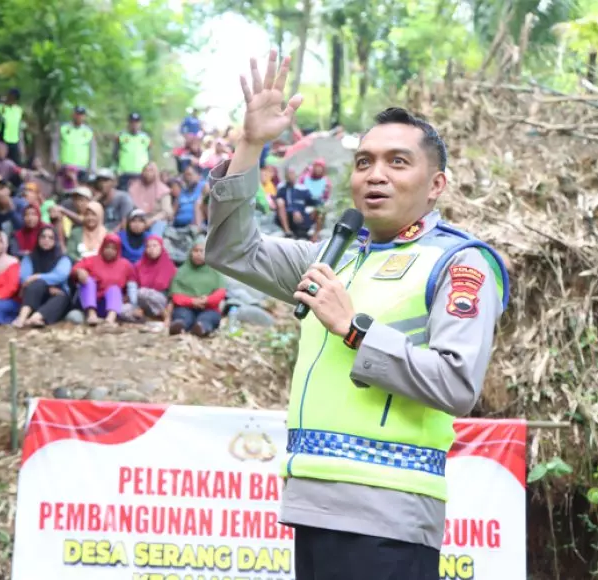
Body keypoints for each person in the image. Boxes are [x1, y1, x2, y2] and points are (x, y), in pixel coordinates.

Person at [204, 51, 509, 580]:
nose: (375, 175)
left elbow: (458, 383)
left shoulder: (460, 263)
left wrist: (354, 330)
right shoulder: (333, 254)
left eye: (397, 161)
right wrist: (249, 146)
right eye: (364, 161)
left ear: (436, 185)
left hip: (390, 512)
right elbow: (233, 251)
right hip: (312, 504)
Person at [13, 225, 73, 328]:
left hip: (57, 298)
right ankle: (22, 318)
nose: (46, 240)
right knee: (37, 284)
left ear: (55, 241)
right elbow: (24, 278)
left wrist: (37, 276)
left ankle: (34, 319)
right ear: (38, 239)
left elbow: (60, 275)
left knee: (61, 297)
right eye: (43, 237)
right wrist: (46, 286)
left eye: (50, 238)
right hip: (35, 295)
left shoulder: (63, 258)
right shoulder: (30, 257)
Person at [72, 233, 134, 326]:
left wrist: (128, 297)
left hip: (110, 305)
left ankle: (110, 320)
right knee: (88, 281)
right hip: (89, 302)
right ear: (103, 246)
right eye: (107, 247)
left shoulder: (125, 265)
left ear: (118, 250)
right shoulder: (91, 260)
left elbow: (132, 283)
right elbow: (75, 269)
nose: (109, 251)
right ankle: (91, 315)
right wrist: (79, 271)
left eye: (114, 248)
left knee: (114, 289)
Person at [168, 237, 225, 337]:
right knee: (182, 315)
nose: (198, 254)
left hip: (209, 308)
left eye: (202, 251)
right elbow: (176, 296)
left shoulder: (216, 271)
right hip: (186, 307)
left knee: (209, 317)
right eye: (195, 251)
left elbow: (220, 292)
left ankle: (201, 327)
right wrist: (192, 301)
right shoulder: (181, 271)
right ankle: (180, 326)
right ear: (191, 253)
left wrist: (207, 300)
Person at [121, 235, 177, 323]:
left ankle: (163, 315)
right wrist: (135, 306)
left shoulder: (169, 266)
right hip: (141, 302)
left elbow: (173, 293)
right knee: (122, 309)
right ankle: (147, 319)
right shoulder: (139, 265)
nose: (151, 249)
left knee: (142, 292)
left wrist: (169, 310)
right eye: (148, 246)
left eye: (155, 246)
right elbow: (132, 286)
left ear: (161, 247)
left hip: (161, 301)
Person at [52, 105, 97, 186]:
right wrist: (55, 161)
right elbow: (55, 145)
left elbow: (93, 152)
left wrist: (92, 169)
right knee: (63, 192)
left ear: (84, 116)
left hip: (82, 168)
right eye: (77, 114)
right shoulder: (63, 128)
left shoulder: (89, 131)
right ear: (73, 115)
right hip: (65, 166)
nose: (79, 117)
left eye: (81, 115)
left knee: (80, 192)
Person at [127, 162, 172, 237]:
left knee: (154, 236)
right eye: (145, 170)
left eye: (151, 170)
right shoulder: (134, 187)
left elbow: (166, 211)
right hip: (137, 219)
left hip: (156, 220)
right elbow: (130, 208)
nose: (147, 173)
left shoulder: (163, 190)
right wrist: (139, 221)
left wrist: (152, 220)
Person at [275, 166, 318, 240]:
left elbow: (313, 201)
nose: (290, 176)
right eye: (289, 173)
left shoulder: (303, 188)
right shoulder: (282, 188)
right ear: (286, 176)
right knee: (280, 202)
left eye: (292, 173)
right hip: (288, 216)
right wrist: (294, 210)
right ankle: (287, 232)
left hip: (302, 216)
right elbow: (284, 203)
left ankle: (314, 234)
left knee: (320, 209)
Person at [114, 113, 151, 192]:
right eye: (132, 122)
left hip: (140, 173)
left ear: (140, 124)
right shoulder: (121, 136)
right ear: (128, 123)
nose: (134, 125)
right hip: (125, 173)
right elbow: (115, 155)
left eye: (136, 122)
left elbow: (149, 154)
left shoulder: (146, 137)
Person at [0, 88, 26, 165]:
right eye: (10, 96)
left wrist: (21, 146)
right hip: (2, 139)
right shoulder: (1, 107)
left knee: (15, 164)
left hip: (14, 141)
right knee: (1, 163)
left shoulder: (18, 110)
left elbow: (20, 129)